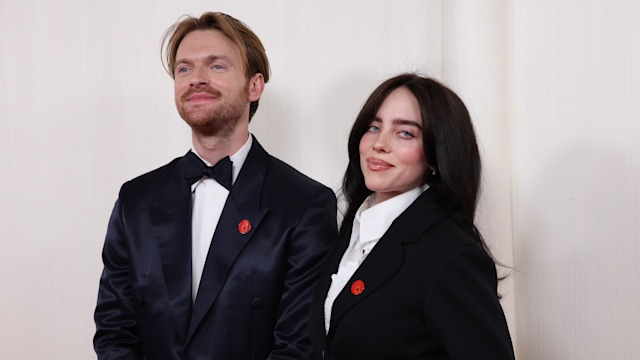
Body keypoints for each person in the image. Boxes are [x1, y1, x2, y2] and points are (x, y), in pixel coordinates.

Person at [93, 12, 338, 359]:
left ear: (255, 86)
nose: (196, 79)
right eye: (184, 69)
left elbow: (298, 347)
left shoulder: (305, 204)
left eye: (216, 66)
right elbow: (114, 331)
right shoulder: (135, 199)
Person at [309, 74, 515, 359]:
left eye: (405, 133)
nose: (379, 143)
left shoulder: (452, 256)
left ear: (435, 155)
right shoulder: (356, 229)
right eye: (373, 126)